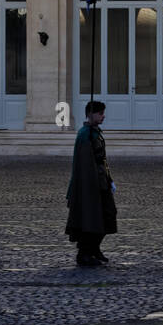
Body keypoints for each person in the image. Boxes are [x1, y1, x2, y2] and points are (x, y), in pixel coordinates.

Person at [66, 100, 117, 267]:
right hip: (91, 185)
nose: (103, 116)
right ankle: (84, 252)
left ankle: (94, 247)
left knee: (108, 214)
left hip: (101, 182)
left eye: (103, 113)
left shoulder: (95, 132)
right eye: (100, 113)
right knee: (91, 217)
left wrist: (109, 180)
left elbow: (102, 160)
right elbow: (86, 164)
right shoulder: (84, 135)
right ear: (90, 114)